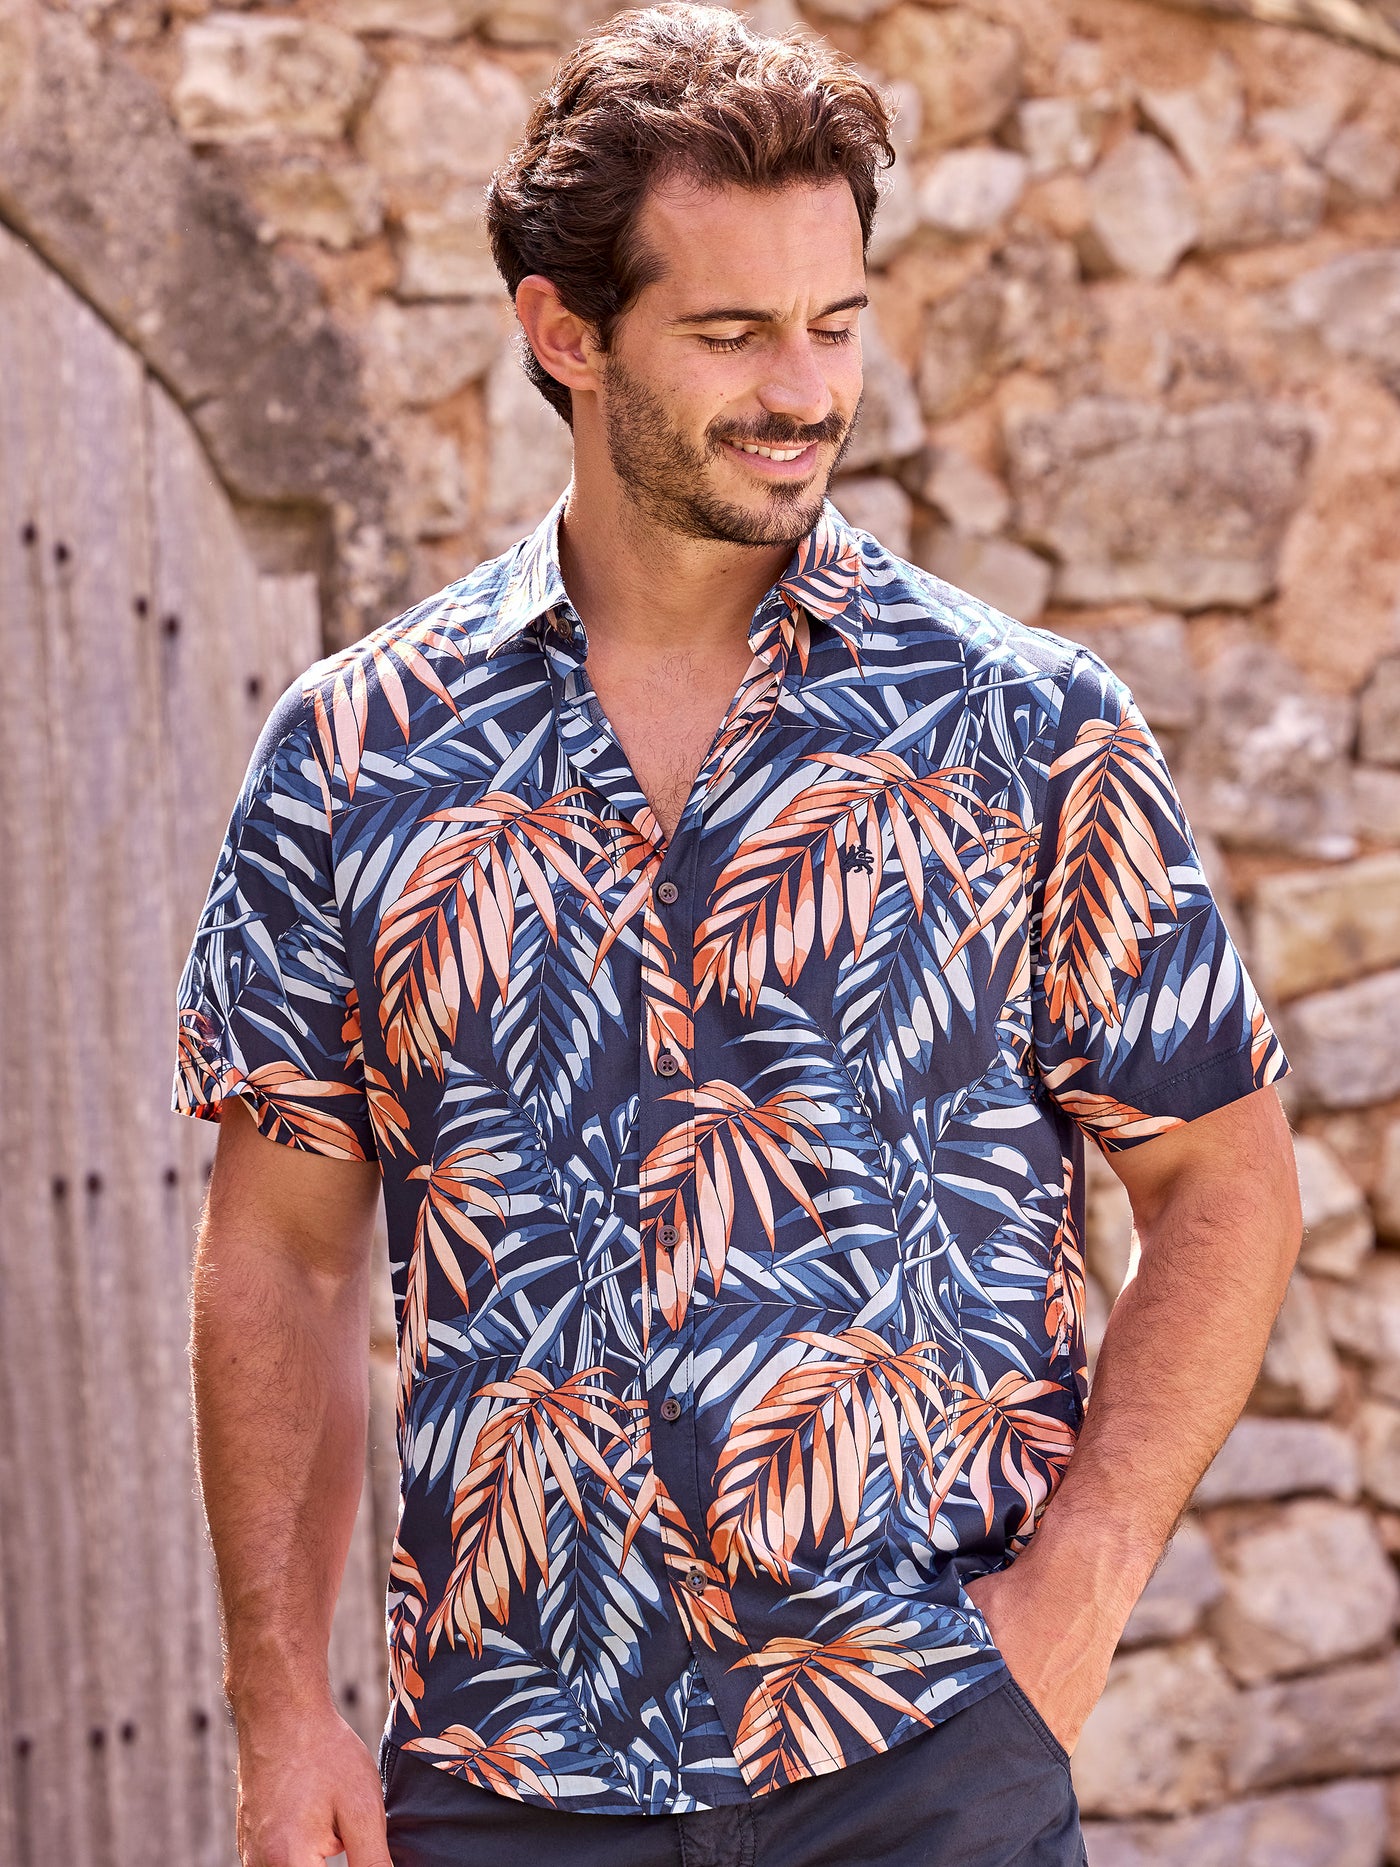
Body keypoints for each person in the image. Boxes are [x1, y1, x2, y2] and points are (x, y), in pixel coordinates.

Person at [172, 6, 1303, 1864]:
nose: (804, 389)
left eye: (835, 322)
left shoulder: (1023, 729)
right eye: (732, 333)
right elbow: (281, 1257)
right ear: (565, 332)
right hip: (509, 1780)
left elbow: (1225, 1181)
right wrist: (281, 1705)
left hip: (922, 1756)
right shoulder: (357, 753)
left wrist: (1073, 1603)